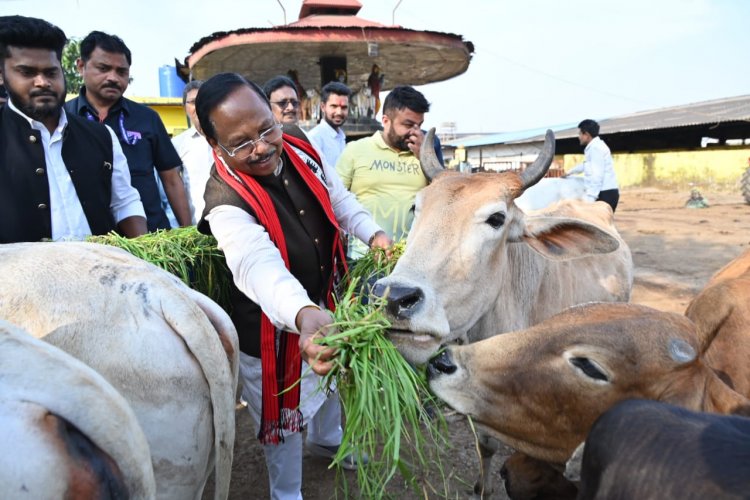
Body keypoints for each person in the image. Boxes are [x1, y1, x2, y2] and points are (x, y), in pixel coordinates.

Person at [195, 73, 390, 499]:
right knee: (281, 414)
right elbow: (256, 266)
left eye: (266, 128)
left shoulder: (300, 141)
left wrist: (374, 234)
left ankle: (329, 438)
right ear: (216, 146)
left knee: (331, 377)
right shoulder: (224, 201)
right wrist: (303, 314)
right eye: (242, 143)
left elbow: (337, 198)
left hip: (323, 295)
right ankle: (287, 492)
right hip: (268, 326)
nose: (262, 146)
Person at [0, 15, 146, 243]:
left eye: (51, 72)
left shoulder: (101, 135)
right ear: (2, 75)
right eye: (27, 72)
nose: (42, 82)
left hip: (102, 272)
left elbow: (124, 201)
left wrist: (146, 251)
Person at [65, 31, 191, 232]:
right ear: (81, 66)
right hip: (94, 241)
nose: (113, 78)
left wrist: (187, 233)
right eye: (104, 68)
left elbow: (172, 179)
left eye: (121, 71)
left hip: (152, 237)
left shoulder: (147, 118)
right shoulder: (63, 119)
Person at [336, 85, 432, 259]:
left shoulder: (424, 154)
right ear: (386, 120)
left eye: (419, 125)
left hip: (409, 260)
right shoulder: (355, 150)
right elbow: (334, 200)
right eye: (408, 124)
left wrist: (426, 157)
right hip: (364, 259)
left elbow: (445, 198)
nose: (415, 132)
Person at [172, 79, 213, 224]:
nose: (198, 105)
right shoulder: (177, 144)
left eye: (203, 99)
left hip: (231, 222)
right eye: (192, 101)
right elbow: (170, 186)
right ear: (184, 107)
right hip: (196, 226)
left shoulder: (227, 137)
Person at [564, 118, 619, 212]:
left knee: (597, 225)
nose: (579, 137)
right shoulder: (594, 147)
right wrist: (569, 172)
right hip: (605, 193)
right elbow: (586, 165)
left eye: (580, 134)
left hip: (604, 194)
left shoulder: (596, 148)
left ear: (587, 135)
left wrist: (590, 199)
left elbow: (597, 175)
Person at [308, 81, 351, 168]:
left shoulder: (341, 137)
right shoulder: (315, 138)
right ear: (323, 107)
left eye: (344, 107)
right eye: (334, 106)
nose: (339, 112)